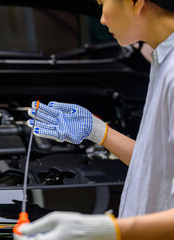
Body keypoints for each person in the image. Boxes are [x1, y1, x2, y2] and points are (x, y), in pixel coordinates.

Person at [14, 0, 174, 239]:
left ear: (137, 2)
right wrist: (99, 131)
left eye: (102, 4)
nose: (101, 18)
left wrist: (109, 230)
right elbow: (158, 165)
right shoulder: (162, 60)